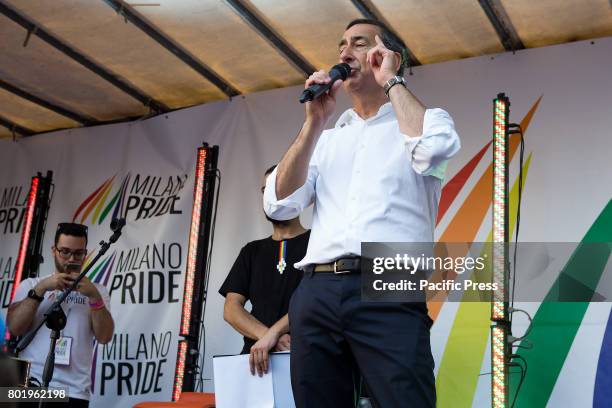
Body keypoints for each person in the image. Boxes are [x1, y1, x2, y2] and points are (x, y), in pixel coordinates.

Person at [263, 19, 461, 408]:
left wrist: (392, 80)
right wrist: (314, 123)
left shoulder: (425, 120)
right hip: (317, 287)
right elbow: (278, 202)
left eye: (358, 44)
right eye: (341, 45)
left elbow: (433, 149)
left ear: (388, 56)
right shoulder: (328, 138)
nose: (344, 53)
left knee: (406, 400)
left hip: (389, 276)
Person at [7, 222, 114, 407]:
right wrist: (41, 289)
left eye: (78, 253)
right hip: (27, 383)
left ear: (85, 253)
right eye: (65, 251)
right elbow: (14, 328)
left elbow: (104, 337)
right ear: (53, 250)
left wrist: (94, 296)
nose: (71, 259)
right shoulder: (32, 284)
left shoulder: (98, 291)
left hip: (72, 390)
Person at [219, 165, 310, 376]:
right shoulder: (252, 251)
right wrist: (269, 337)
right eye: (265, 192)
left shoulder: (318, 244)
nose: (271, 199)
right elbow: (231, 309)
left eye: (278, 190)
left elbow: (316, 301)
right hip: (256, 362)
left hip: (304, 358)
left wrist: (272, 336)